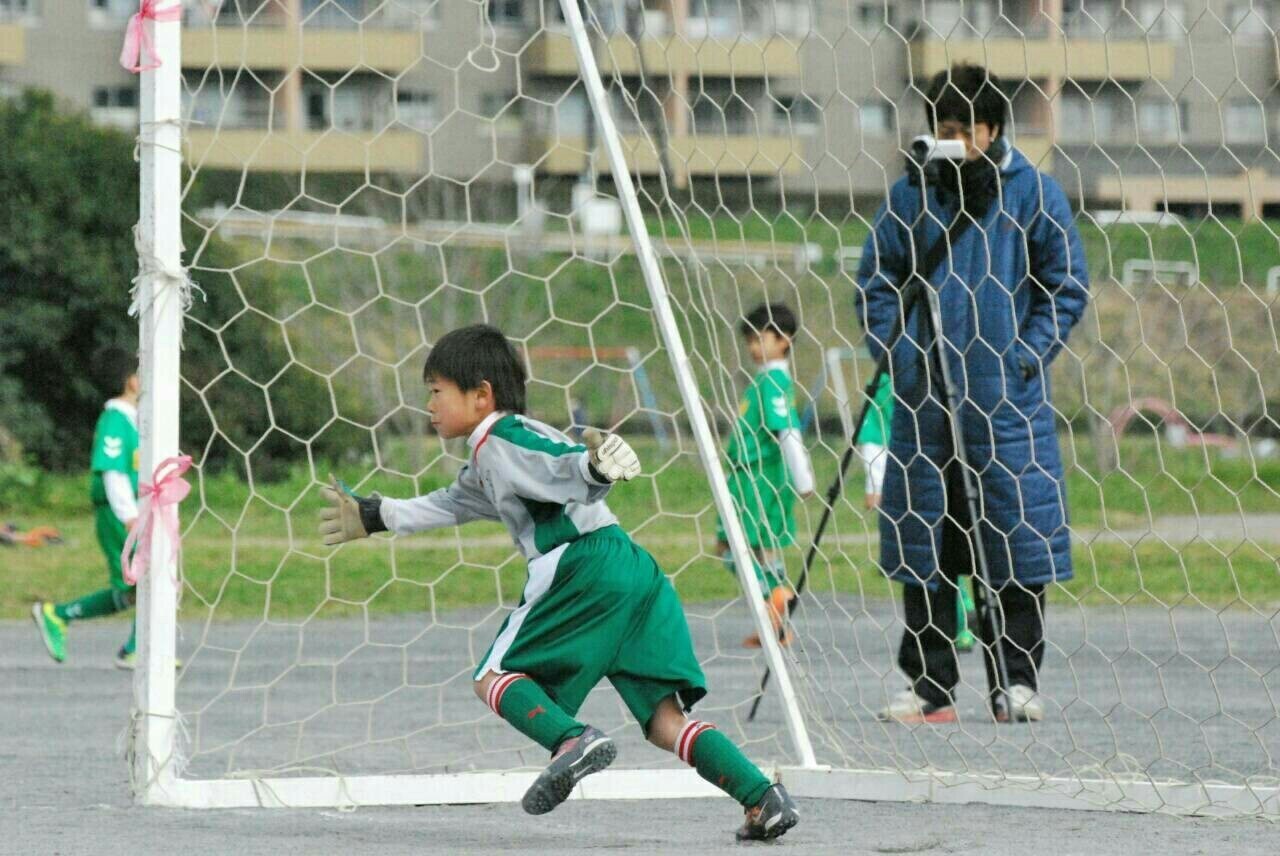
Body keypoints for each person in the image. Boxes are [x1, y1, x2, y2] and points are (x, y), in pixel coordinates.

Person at [318, 324, 798, 841]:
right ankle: (760, 796)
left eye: (436, 391)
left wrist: (593, 467)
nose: (429, 405)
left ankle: (572, 740)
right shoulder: (488, 456)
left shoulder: (504, 439)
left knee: (492, 676)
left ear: (481, 396)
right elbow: (454, 501)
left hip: (580, 566)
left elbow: (559, 463)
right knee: (664, 721)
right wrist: (377, 514)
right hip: (632, 570)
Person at [854, 63, 1089, 724]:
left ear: (991, 129)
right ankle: (929, 685)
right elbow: (877, 282)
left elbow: (1066, 284)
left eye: (962, 129)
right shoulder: (910, 194)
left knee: (1014, 541)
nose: (950, 140)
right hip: (926, 402)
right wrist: (901, 356)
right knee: (925, 543)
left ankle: (1017, 680)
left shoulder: (1033, 194)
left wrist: (1024, 353)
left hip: (1005, 404)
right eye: (941, 128)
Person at [714, 302, 815, 649]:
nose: (753, 347)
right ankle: (775, 620)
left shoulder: (773, 380)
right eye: (750, 340)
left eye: (761, 338)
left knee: (732, 547)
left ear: (784, 340)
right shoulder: (766, 380)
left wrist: (803, 479)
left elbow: (787, 431)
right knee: (758, 552)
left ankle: (775, 595)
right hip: (748, 478)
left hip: (758, 479)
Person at [32, 351, 141, 669]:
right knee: (150, 579)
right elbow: (112, 471)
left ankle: (58, 614)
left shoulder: (135, 419)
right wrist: (129, 515)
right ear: (132, 381)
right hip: (118, 512)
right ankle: (135, 649)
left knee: (138, 587)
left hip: (132, 511)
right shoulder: (115, 418)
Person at [859, 368, 976, 652]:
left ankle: (959, 622)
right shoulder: (892, 380)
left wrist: (874, 485)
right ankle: (964, 615)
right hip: (931, 478)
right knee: (943, 553)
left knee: (928, 560)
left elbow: (873, 438)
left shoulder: (897, 378)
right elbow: (875, 435)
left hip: (914, 483)